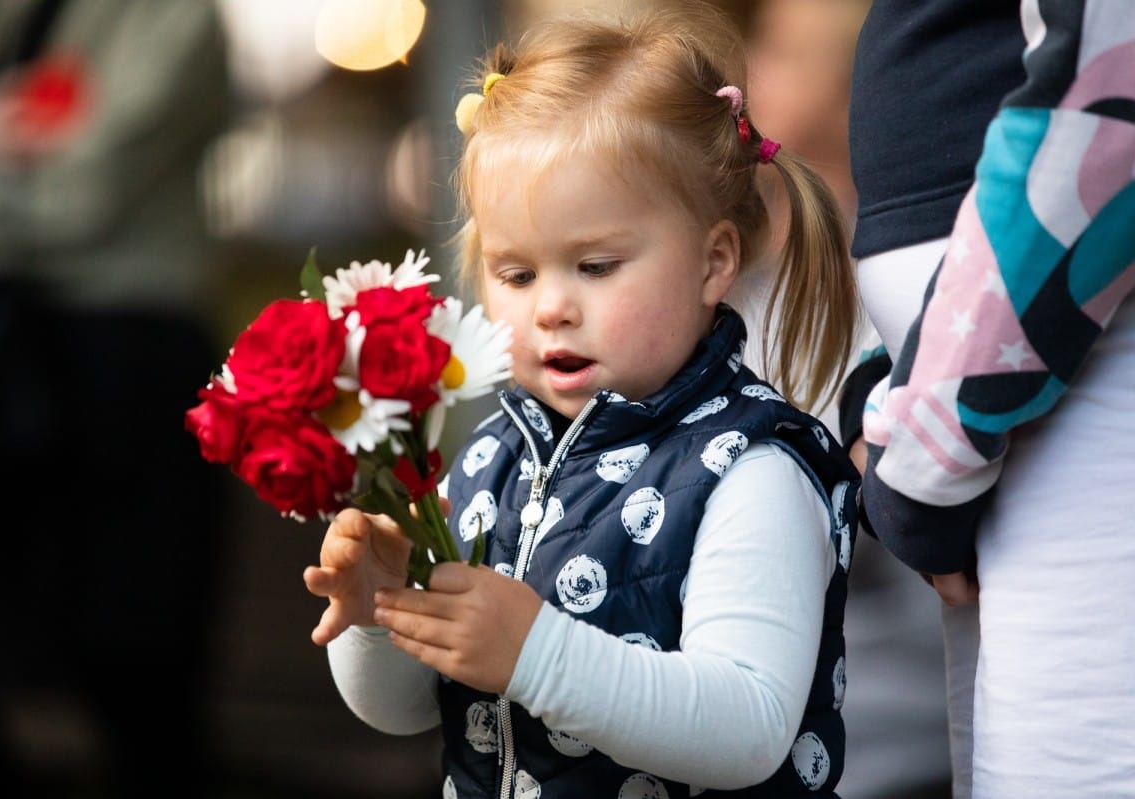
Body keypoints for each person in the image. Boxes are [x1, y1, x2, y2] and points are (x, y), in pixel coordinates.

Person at [303, 2, 863, 796]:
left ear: (714, 260)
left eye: (595, 266)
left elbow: (748, 725)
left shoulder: (752, 468)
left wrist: (532, 651)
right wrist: (378, 614)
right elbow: (409, 711)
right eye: (517, 274)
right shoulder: (489, 459)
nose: (551, 307)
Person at [0, 1, 233, 795]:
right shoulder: (1, 16)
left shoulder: (171, 19)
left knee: (137, 680)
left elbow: (79, 200)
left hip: (124, 366)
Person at [844, 1, 1135, 796]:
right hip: (1000, 410)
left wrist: (923, 454)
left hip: (1075, 393)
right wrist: (897, 381)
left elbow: (1109, 99)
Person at [712, 2, 955, 796]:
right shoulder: (728, 279)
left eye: (780, 52)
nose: (748, 68)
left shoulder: (889, 284)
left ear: (861, 88)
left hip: (884, 738)